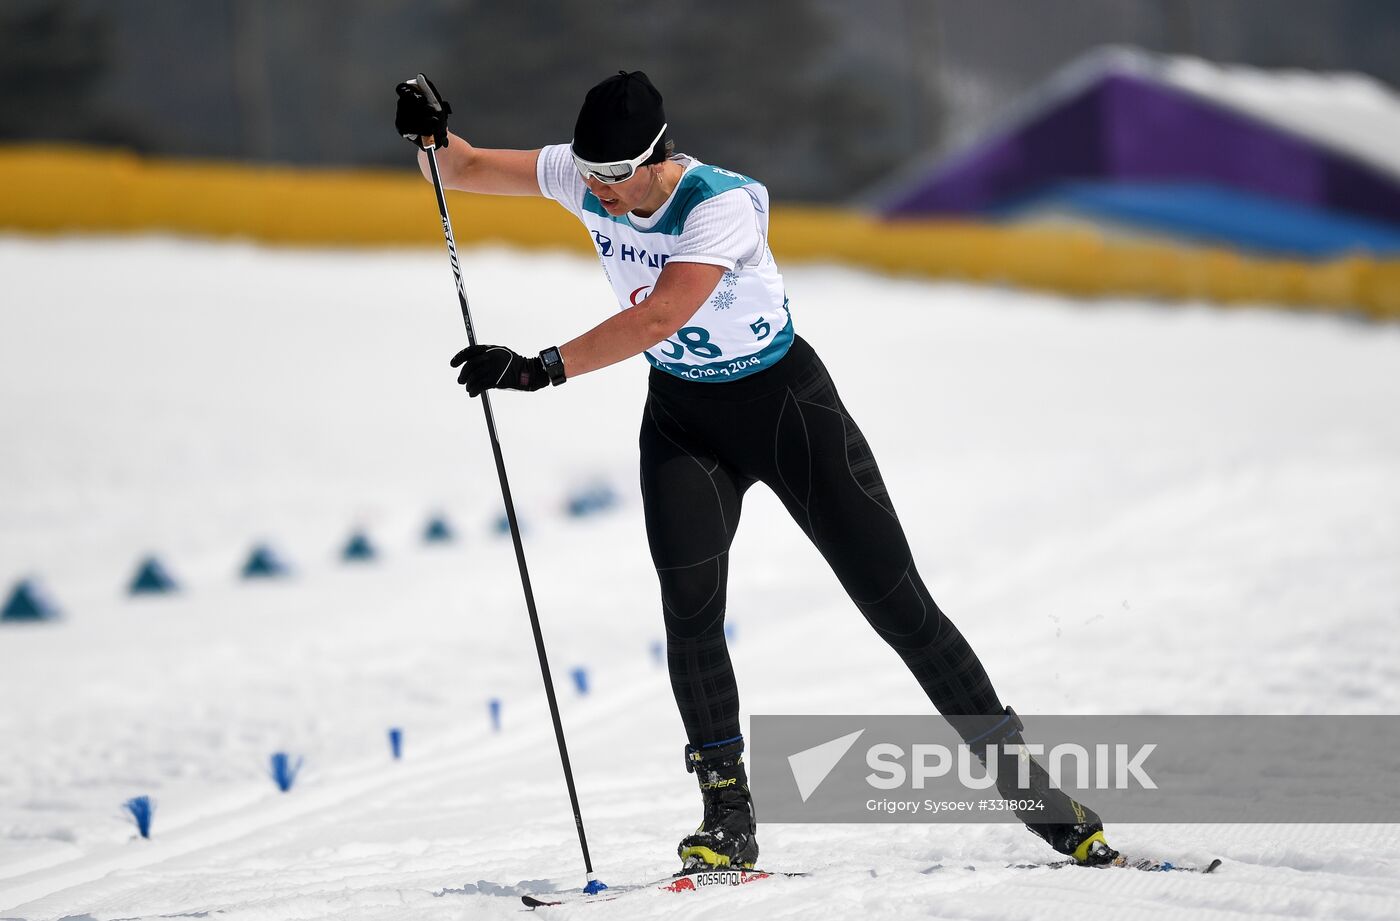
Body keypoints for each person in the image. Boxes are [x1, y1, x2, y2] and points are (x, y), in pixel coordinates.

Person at [395, 70, 1117, 871]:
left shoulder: (721, 205)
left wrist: (541, 367)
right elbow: (455, 170)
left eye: (611, 179)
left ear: (653, 158)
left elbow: (662, 313)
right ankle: (726, 817)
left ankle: (1037, 795)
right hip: (684, 418)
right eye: (588, 177)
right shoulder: (584, 173)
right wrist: (428, 134)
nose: (595, 194)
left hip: (784, 410)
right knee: (690, 610)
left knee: (896, 603)